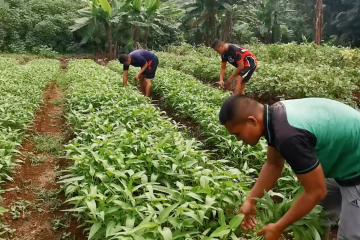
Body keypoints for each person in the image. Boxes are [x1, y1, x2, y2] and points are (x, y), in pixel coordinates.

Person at [219, 94, 360, 240]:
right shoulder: (275, 117)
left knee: (351, 236)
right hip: (343, 157)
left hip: (356, 170)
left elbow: (316, 191)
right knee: (317, 217)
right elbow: (273, 165)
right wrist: (251, 200)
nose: (239, 139)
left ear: (252, 121)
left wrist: (278, 227)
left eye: (238, 134)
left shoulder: (288, 135)